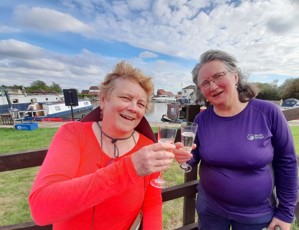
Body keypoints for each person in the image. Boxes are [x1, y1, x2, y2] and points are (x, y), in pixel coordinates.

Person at [28, 61, 175, 229]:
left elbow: (152, 204)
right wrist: (129, 169)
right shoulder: (73, 134)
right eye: (126, 98)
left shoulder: (147, 146)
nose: (134, 108)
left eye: (141, 104)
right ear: (103, 100)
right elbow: (41, 209)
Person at [185, 49, 298, 230]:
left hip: (256, 215)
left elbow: (287, 162)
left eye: (218, 76)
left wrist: (286, 212)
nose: (212, 86)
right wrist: (183, 159)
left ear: (235, 77)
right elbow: (192, 156)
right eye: (205, 83)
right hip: (210, 211)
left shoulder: (268, 112)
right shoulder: (201, 120)